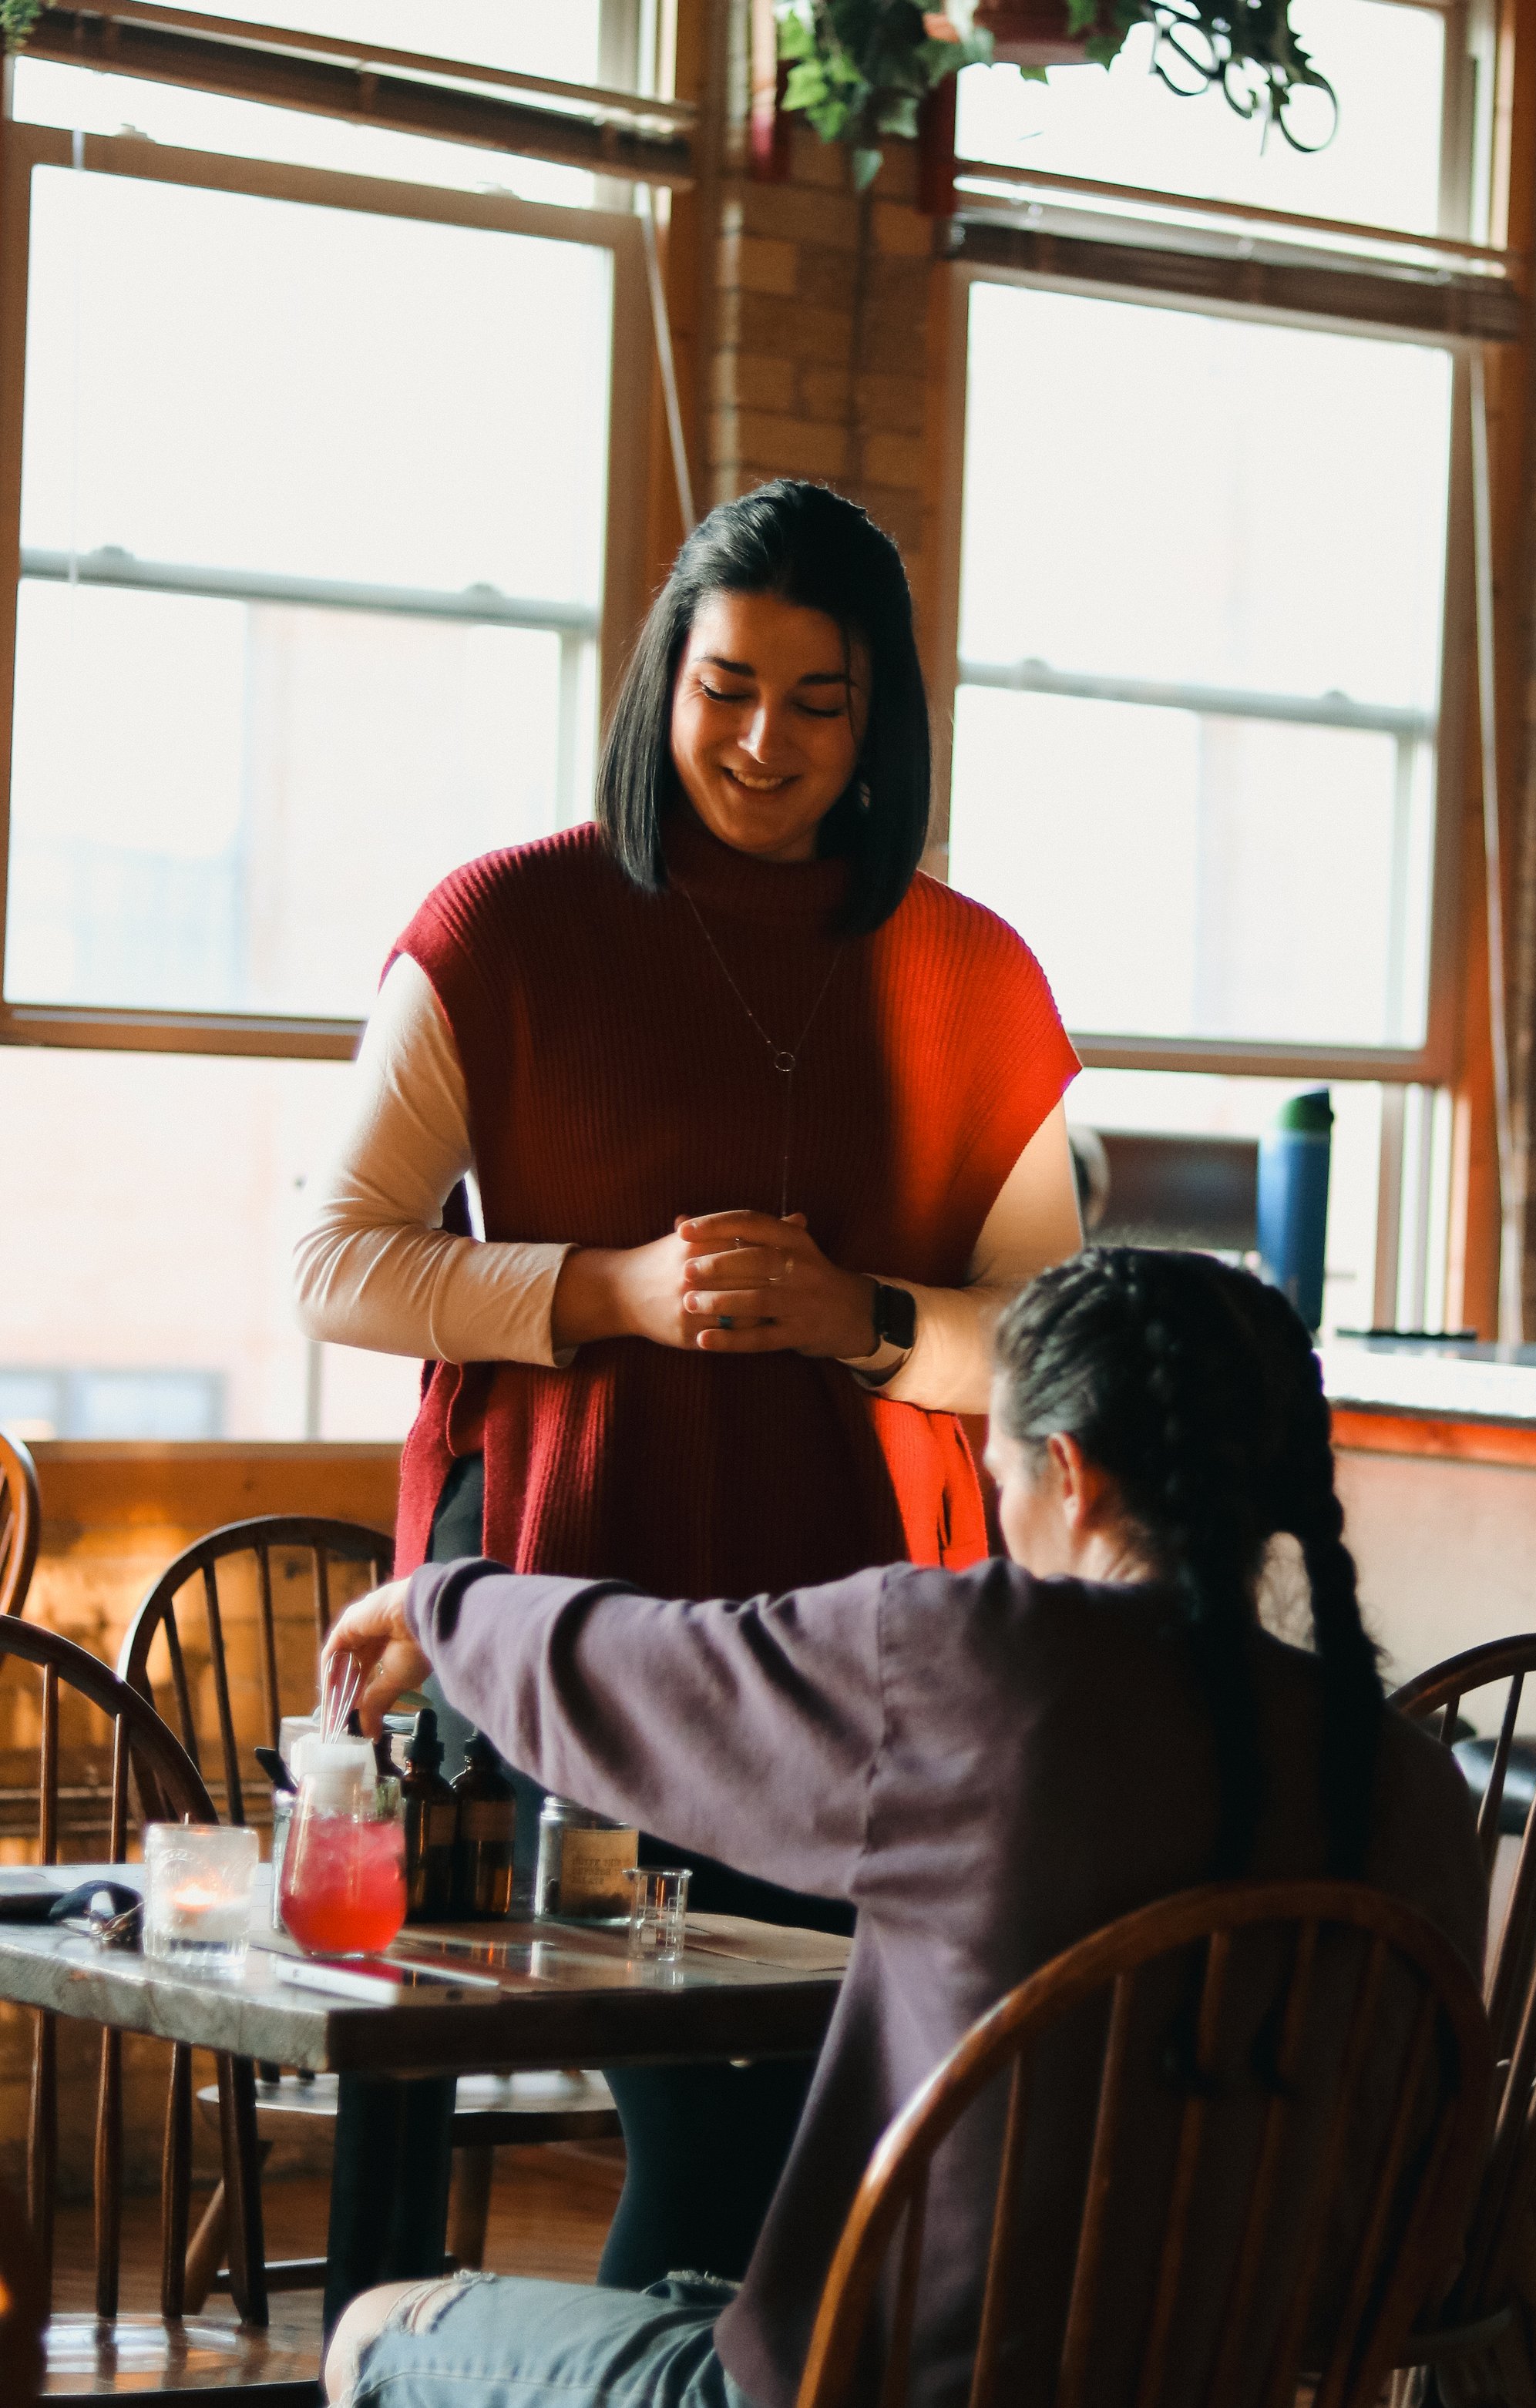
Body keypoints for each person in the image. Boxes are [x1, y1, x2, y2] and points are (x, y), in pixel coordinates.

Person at [293, 481, 1084, 2278]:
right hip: (572, 1640)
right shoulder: (504, 927)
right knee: (723, 2138)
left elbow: (1050, 1349)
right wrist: (610, 1292)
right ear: (663, 680)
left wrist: (859, 1318)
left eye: (819, 700)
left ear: (879, 722)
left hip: (873, 1670)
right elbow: (328, 1261)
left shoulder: (973, 975)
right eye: (726, 685)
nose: (763, 740)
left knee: (818, 2157)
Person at [318, 1248, 1486, 2408]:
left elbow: (647, 1668)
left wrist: (433, 1597)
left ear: (1068, 1475)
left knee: (374, 2328)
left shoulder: (978, 1661)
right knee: (697, 2292)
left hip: (873, 2389)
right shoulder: (1408, 1784)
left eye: (1002, 1479)